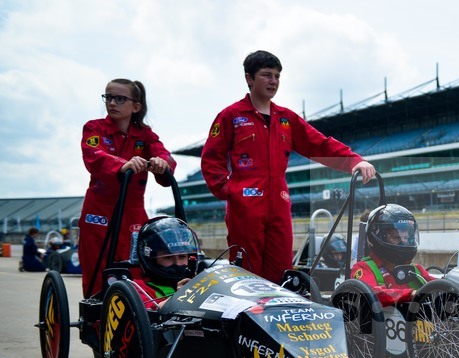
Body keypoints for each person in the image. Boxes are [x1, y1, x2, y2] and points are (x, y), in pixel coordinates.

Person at [201, 50, 376, 286]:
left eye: (277, 76)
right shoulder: (231, 116)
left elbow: (320, 144)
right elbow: (211, 158)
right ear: (249, 78)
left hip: (279, 204)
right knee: (247, 274)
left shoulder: (287, 119)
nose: (273, 81)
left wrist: (355, 160)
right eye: (267, 75)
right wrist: (231, 191)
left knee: (281, 272)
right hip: (245, 207)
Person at [80, 79, 176, 298]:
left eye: (120, 98)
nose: (112, 102)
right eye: (108, 97)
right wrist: (122, 164)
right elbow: (94, 157)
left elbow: (163, 153)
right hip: (99, 211)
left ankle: (134, 320)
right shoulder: (94, 128)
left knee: (136, 267)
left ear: (136, 106)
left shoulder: (145, 134)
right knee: (97, 269)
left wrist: (162, 163)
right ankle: (97, 323)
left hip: (133, 212)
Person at [350, 204, 435, 307]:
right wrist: (411, 294)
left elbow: (439, 285)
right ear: (377, 236)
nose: (403, 243)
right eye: (396, 237)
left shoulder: (415, 269)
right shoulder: (363, 268)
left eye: (406, 238)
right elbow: (373, 294)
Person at [132, 217, 198, 309]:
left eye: (182, 256)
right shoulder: (137, 289)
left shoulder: (199, 283)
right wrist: (181, 296)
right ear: (151, 260)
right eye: (168, 257)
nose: (178, 263)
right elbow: (146, 313)